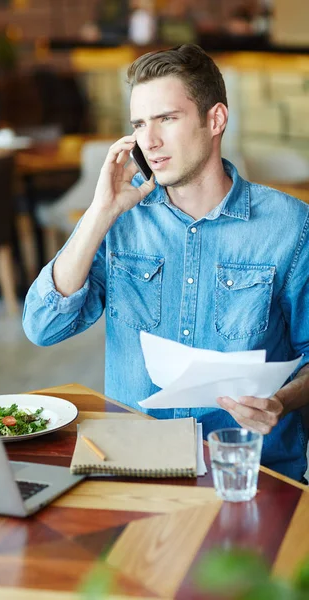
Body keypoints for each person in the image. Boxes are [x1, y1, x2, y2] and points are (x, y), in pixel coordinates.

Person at [23, 44, 309, 482]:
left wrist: (282, 401)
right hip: (135, 464)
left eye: (167, 119)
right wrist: (100, 212)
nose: (149, 141)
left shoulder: (291, 225)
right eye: (139, 124)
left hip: (250, 470)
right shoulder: (119, 220)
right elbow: (43, 326)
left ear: (215, 120)